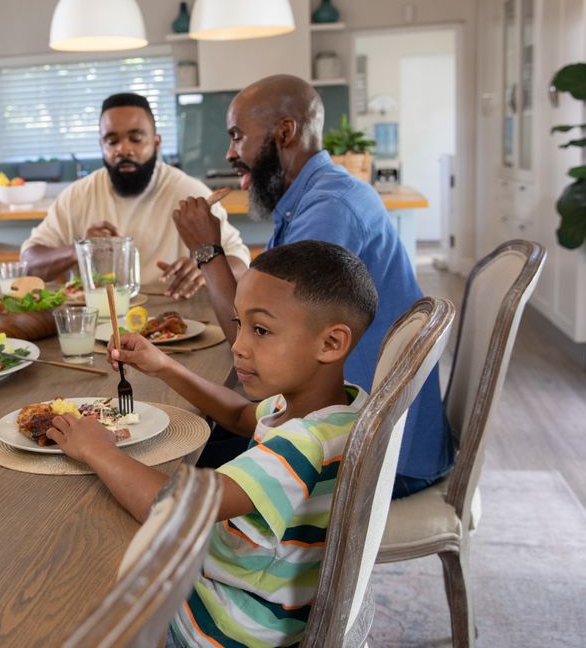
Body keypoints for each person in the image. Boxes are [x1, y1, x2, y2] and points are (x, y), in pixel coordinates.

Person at [48, 241, 377, 648]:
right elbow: (241, 415)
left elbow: (171, 510)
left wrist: (97, 448)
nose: (239, 345)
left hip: (224, 630)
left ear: (331, 343)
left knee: (67, 589)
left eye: (261, 330)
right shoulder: (332, 406)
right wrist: (165, 366)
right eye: (239, 324)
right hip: (240, 592)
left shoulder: (304, 445)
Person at [171, 74, 452, 497]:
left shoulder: (330, 209)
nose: (231, 153)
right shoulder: (317, 197)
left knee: (167, 467)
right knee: (186, 440)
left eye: (237, 136)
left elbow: (253, 339)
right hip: (346, 427)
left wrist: (207, 250)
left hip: (370, 454)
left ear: (285, 132)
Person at [20, 92, 250, 299]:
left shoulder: (189, 192)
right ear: (101, 145)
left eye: (136, 138)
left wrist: (209, 266)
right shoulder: (77, 196)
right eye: (112, 141)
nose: (123, 149)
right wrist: (80, 250)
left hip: (176, 317)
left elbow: (241, 262)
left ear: (156, 143)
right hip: (101, 320)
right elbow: (29, 264)